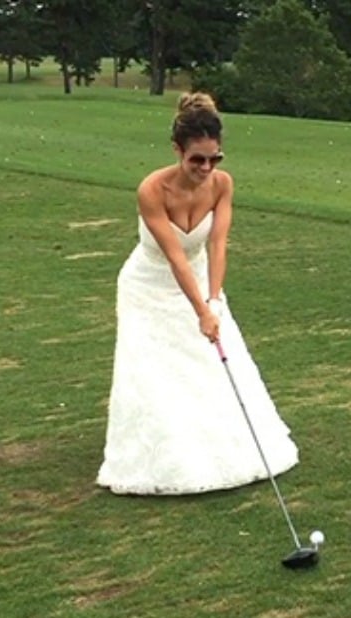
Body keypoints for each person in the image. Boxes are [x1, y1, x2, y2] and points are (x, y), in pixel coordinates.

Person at [96, 92, 299, 495]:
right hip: (149, 286)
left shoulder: (222, 185)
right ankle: (165, 458)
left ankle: (222, 447)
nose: (206, 168)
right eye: (197, 160)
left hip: (203, 280)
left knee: (209, 363)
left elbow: (217, 245)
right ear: (177, 150)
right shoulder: (151, 190)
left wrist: (214, 300)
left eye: (214, 159)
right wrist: (200, 309)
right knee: (157, 371)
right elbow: (175, 257)